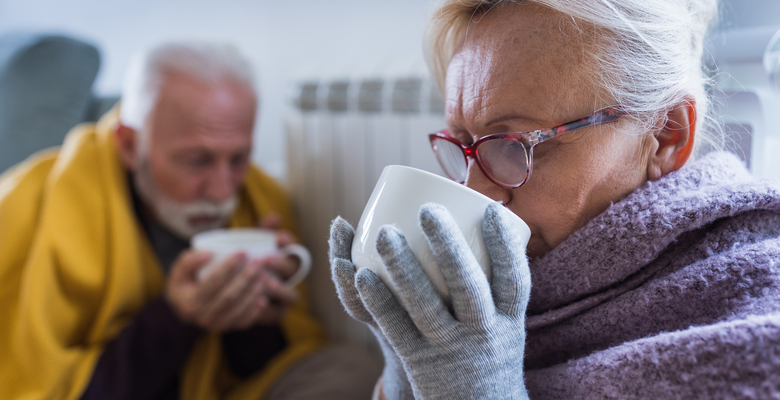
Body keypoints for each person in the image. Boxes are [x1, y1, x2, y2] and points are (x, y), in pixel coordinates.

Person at [329, 0, 780, 399]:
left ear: (665, 135)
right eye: (464, 143)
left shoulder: (758, 332)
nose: (474, 190)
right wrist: (406, 361)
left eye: (513, 144)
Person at [0, 41, 379, 399]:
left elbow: (261, 370)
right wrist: (175, 320)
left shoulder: (260, 198)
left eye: (238, 159)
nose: (222, 190)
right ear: (130, 146)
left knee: (354, 371)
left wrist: (257, 319)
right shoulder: (31, 206)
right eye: (197, 161)